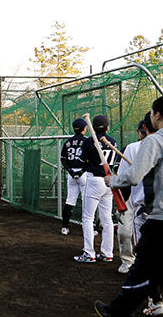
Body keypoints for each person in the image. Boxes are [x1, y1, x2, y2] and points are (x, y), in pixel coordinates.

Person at [94, 98, 163, 317]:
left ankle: (118, 311)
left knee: (143, 266)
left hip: (159, 218)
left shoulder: (154, 142)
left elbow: (133, 176)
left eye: (152, 112)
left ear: (158, 115)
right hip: (152, 213)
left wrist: (112, 181)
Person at [73, 115, 116, 264]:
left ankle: (89, 253)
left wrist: (89, 164)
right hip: (108, 182)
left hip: (94, 180)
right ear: (107, 127)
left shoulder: (88, 141)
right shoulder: (112, 141)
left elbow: (80, 160)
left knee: (88, 218)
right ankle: (107, 253)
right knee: (107, 219)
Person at [114, 120, 147, 274]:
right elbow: (123, 179)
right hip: (134, 199)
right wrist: (122, 204)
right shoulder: (131, 149)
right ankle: (128, 261)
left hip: (146, 202)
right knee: (125, 231)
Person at [60, 118, 88, 235]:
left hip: (71, 173)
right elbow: (91, 159)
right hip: (84, 173)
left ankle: (65, 227)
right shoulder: (88, 141)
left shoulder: (68, 142)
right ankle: (90, 228)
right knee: (87, 201)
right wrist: (81, 172)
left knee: (70, 200)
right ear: (84, 129)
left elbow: (63, 159)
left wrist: (71, 171)